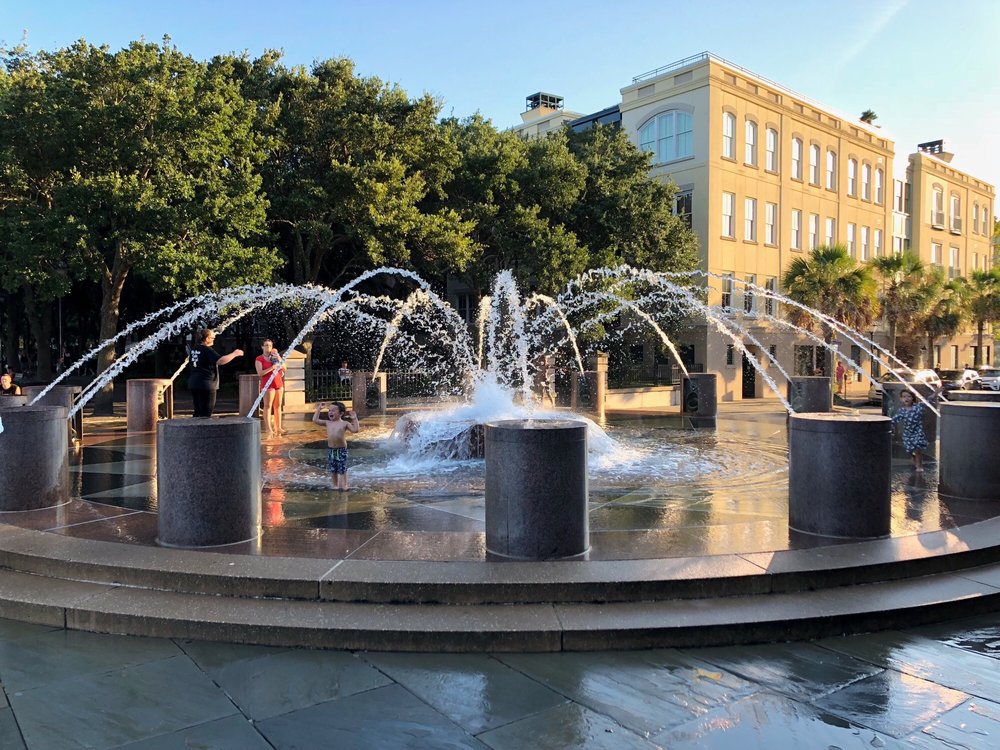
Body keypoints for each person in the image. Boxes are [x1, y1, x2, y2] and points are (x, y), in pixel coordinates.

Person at [187, 328, 243, 418]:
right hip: (206, 384)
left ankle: (194, 430)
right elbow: (220, 361)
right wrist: (235, 354)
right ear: (207, 339)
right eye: (212, 338)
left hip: (194, 383)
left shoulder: (194, 349)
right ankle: (203, 430)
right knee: (205, 414)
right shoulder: (207, 350)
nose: (214, 339)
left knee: (197, 412)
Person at [312, 401, 359, 490]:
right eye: (329, 410)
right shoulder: (328, 423)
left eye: (333, 411)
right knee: (333, 469)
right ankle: (335, 485)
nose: (330, 412)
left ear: (341, 413)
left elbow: (355, 430)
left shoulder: (345, 423)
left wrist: (354, 419)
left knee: (342, 468)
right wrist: (319, 409)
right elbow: (315, 420)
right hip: (331, 450)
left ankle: (344, 485)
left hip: (341, 450)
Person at [890, 388, 937, 472]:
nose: (906, 398)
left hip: (917, 431)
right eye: (904, 397)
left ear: (913, 398)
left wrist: (936, 393)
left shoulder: (918, 407)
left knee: (917, 449)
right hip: (907, 433)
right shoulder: (902, 411)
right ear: (901, 399)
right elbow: (894, 420)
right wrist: (888, 426)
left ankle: (919, 466)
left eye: (909, 396)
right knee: (910, 450)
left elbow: (928, 401)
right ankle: (913, 457)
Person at [255, 339, 287, 437]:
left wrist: (278, 358)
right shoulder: (259, 359)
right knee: (268, 406)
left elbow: (284, 368)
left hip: (278, 383)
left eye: (270, 345)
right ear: (262, 347)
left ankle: (278, 427)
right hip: (267, 385)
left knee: (278, 406)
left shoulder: (275, 357)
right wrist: (272, 368)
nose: (268, 347)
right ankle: (268, 428)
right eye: (266, 345)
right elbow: (260, 373)